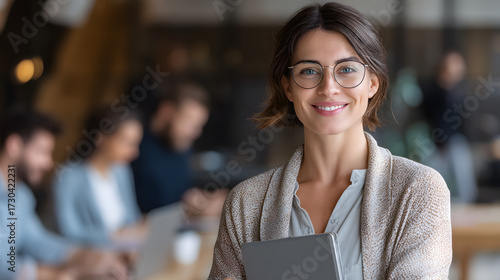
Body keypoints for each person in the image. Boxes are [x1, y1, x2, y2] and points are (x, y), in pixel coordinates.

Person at [209, 3, 452, 280]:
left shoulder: (418, 191)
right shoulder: (246, 202)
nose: (328, 88)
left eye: (347, 69)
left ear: (372, 82)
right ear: (288, 87)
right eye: (309, 71)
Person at [0, 110, 128, 280]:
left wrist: (85, 255)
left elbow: (37, 241)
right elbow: (4, 266)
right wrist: (61, 275)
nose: (48, 163)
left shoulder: (21, 195)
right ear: (14, 145)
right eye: (42, 152)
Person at [53, 108, 146, 247]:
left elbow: (132, 216)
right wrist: (115, 236)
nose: (134, 152)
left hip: (129, 249)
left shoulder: (122, 170)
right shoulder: (68, 177)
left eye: (136, 143)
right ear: (100, 138)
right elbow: (69, 232)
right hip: (93, 256)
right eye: (127, 143)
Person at [132, 80, 211, 213]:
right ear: (166, 111)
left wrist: (198, 202)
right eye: (189, 123)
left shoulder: (182, 147)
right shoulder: (133, 147)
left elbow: (178, 195)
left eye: (199, 126)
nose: (196, 133)